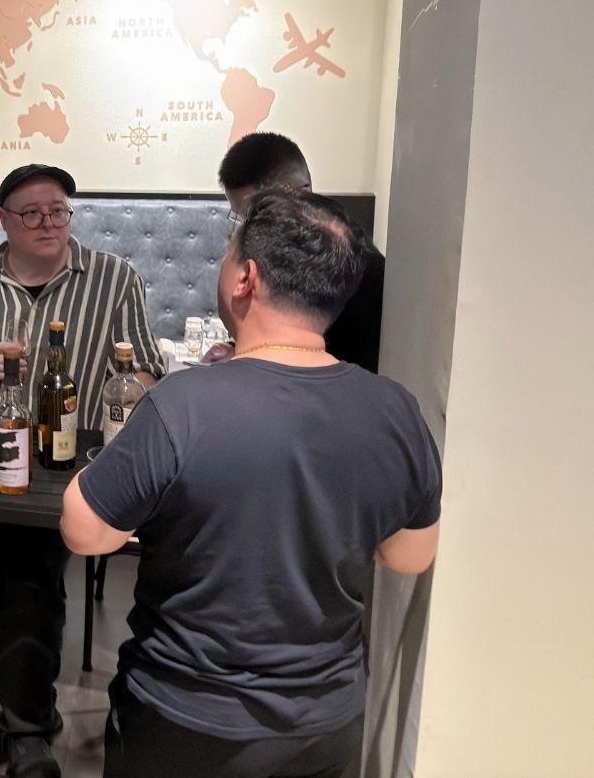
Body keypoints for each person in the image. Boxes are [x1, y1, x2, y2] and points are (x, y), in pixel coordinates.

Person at [62, 188, 441, 778]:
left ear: (246, 277)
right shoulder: (397, 409)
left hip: (184, 716)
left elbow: (86, 532)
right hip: (326, 722)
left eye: (226, 253)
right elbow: (410, 556)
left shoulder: (181, 404)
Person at [0, 164, 163, 778]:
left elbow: (146, 367)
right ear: (3, 219)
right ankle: (26, 703)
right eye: (31, 213)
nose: (47, 223)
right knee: (2, 585)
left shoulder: (114, 278)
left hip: (70, 465)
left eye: (58, 210)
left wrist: (128, 395)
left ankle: (29, 733)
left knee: (30, 582)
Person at [218, 132, 385, 371]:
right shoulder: (278, 259)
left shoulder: (356, 269)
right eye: (242, 217)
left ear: (301, 193)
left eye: (254, 214)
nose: (249, 227)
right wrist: (238, 349)